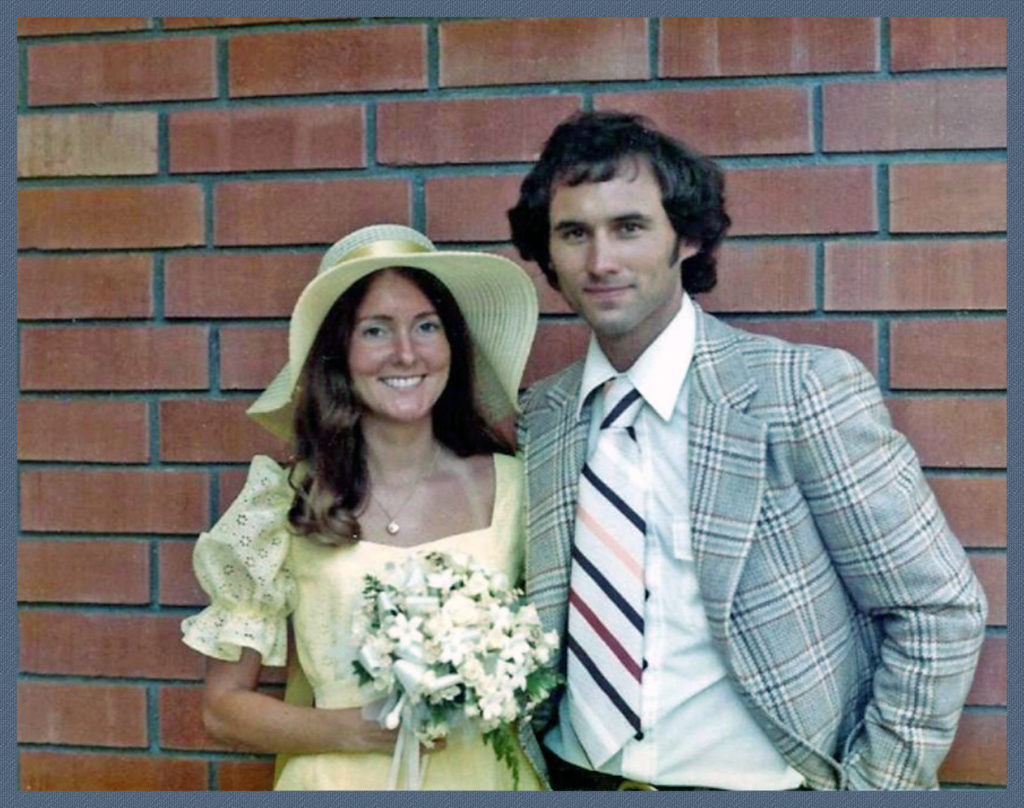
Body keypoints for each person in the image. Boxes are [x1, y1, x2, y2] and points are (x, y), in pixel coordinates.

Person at [507, 111, 987, 791]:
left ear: (690, 238)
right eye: (574, 233)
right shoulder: (544, 417)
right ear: (547, 252)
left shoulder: (798, 393)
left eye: (630, 227)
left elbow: (938, 609)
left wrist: (879, 787)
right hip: (574, 776)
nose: (600, 260)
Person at [180, 224, 546, 790]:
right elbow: (223, 709)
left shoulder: (520, 490)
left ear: (452, 344)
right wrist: (353, 730)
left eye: (426, 326)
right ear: (339, 354)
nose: (406, 352)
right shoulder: (285, 502)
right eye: (376, 330)